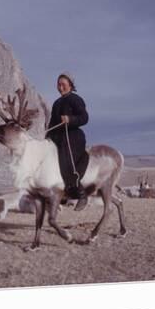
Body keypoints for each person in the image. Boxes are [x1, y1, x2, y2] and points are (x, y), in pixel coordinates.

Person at [46, 73, 89, 209]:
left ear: (70, 85)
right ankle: (61, 194)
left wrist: (70, 120)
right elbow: (52, 124)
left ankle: (81, 194)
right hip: (58, 138)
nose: (60, 87)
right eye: (58, 84)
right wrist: (47, 138)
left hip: (73, 138)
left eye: (63, 84)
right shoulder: (57, 103)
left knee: (66, 163)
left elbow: (84, 118)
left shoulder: (76, 100)